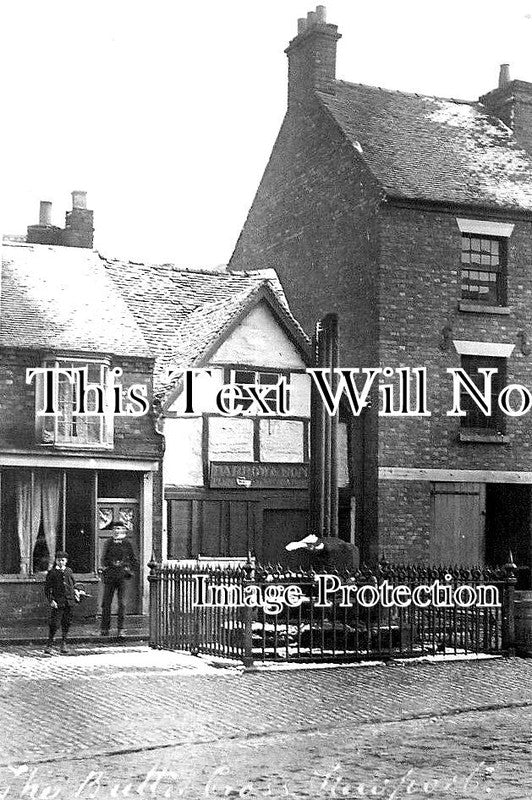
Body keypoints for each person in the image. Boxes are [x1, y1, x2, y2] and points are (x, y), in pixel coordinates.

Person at [100, 522, 138, 638]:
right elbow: (103, 559)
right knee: (106, 603)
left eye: (120, 528)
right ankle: (104, 628)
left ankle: (121, 629)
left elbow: (134, 560)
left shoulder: (128, 543)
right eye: (116, 529)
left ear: (124, 531)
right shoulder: (108, 543)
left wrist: (129, 570)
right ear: (113, 531)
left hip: (123, 577)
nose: (117, 531)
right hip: (110, 576)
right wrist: (106, 568)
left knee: (122, 604)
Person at [44, 551, 80, 655]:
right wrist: (51, 600)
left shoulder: (69, 571)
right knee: (54, 623)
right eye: (58, 560)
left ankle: (64, 643)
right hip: (58, 602)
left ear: (66, 561)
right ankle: (49, 644)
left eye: (63, 560)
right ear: (55, 561)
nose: (60, 562)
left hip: (69, 601)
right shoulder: (52, 573)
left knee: (67, 622)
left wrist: (76, 591)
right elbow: (47, 589)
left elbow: (73, 583)